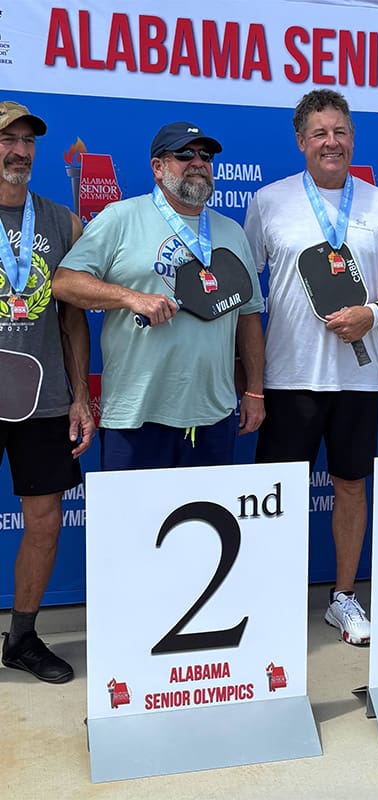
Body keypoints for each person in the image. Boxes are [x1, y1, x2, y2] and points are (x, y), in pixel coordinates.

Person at [244, 89, 378, 646]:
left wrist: (376, 312)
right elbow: (248, 294)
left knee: (350, 486)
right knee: (276, 491)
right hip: (287, 377)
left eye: (340, 131)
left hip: (358, 379)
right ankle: (269, 595)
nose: (331, 142)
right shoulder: (269, 202)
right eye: (319, 133)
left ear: (352, 138)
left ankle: (342, 598)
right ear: (301, 142)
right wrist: (250, 383)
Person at [52, 122, 264, 470]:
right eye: (184, 154)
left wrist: (254, 390)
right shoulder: (121, 217)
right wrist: (130, 298)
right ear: (157, 167)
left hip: (213, 415)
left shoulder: (232, 231)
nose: (197, 162)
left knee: (205, 523)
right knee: (132, 524)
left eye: (205, 156)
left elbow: (249, 316)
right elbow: (63, 282)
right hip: (137, 415)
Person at [0, 100, 94, 682]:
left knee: (45, 519)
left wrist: (81, 395)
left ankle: (24, 638)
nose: (19, 151)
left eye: (27, 142)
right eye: (7, 140)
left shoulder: (60, 220)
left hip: (42, 398)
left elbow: (74, 318)